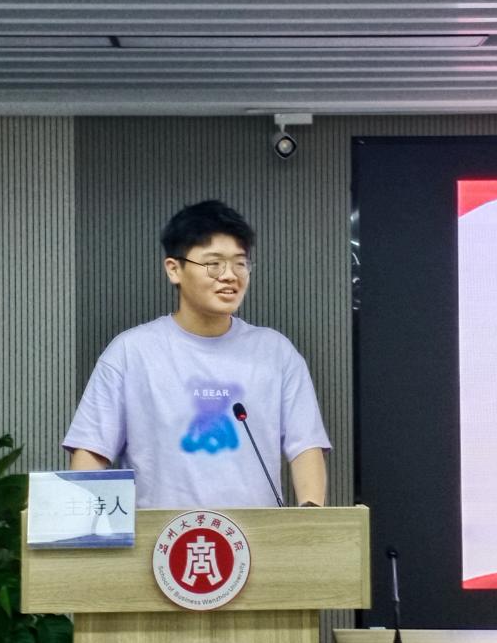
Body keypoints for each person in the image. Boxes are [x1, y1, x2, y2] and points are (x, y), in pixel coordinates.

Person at [62, 200, 329, 508]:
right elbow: (92, 450)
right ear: (174, 269)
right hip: (159, 536)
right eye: (214, 264)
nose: (230, 275)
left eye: (240, 263)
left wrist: (312, 517)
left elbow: (306, 446)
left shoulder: (276, 352)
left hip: (255, 536)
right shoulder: (130, 352)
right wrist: (84, 523)